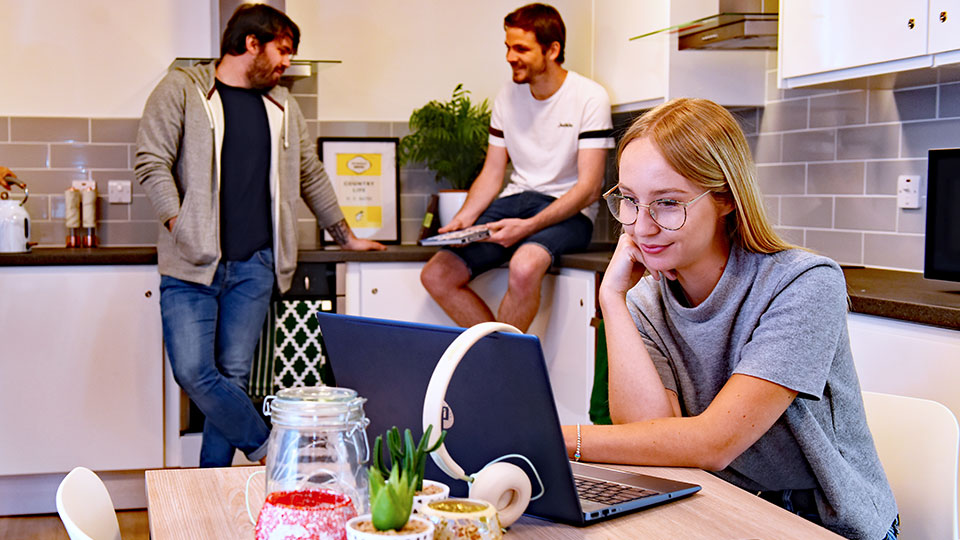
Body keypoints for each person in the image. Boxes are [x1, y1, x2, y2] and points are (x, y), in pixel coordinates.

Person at [562, 98, 899, 539]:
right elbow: (646, 432)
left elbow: (713, 443)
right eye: (628, 200)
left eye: (666, 203)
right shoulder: (647, 296)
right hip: (716, 507)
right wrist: (612, 298)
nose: (640, 228)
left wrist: (558, 438)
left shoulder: (804, 284)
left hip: (828, 525)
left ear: (724, 198)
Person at [135, 4, 384, 468]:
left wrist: (345, 236)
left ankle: (210, 484)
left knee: (232, 376)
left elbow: (310, 173)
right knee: (192, 372)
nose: (287, 62)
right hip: (191, 264)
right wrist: (178, 224)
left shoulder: (283, 106)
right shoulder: (183, 90)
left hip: (255, 267)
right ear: (252, 44)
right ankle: (272, 449)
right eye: (283, 50)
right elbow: (151, 161)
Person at [420, 3, 613, 332]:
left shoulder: (589, 97)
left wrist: (527, 227)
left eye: (521, 48)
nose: (510, 56)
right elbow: (492, 173)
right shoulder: (507, 97)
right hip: (515, 200)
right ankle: (504, 361)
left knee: (524, 266)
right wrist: (463, 220)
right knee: (436, 275)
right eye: (508, 47)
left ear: (552, 50)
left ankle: (503, 370)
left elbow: (590, 188)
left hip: (568, 211)